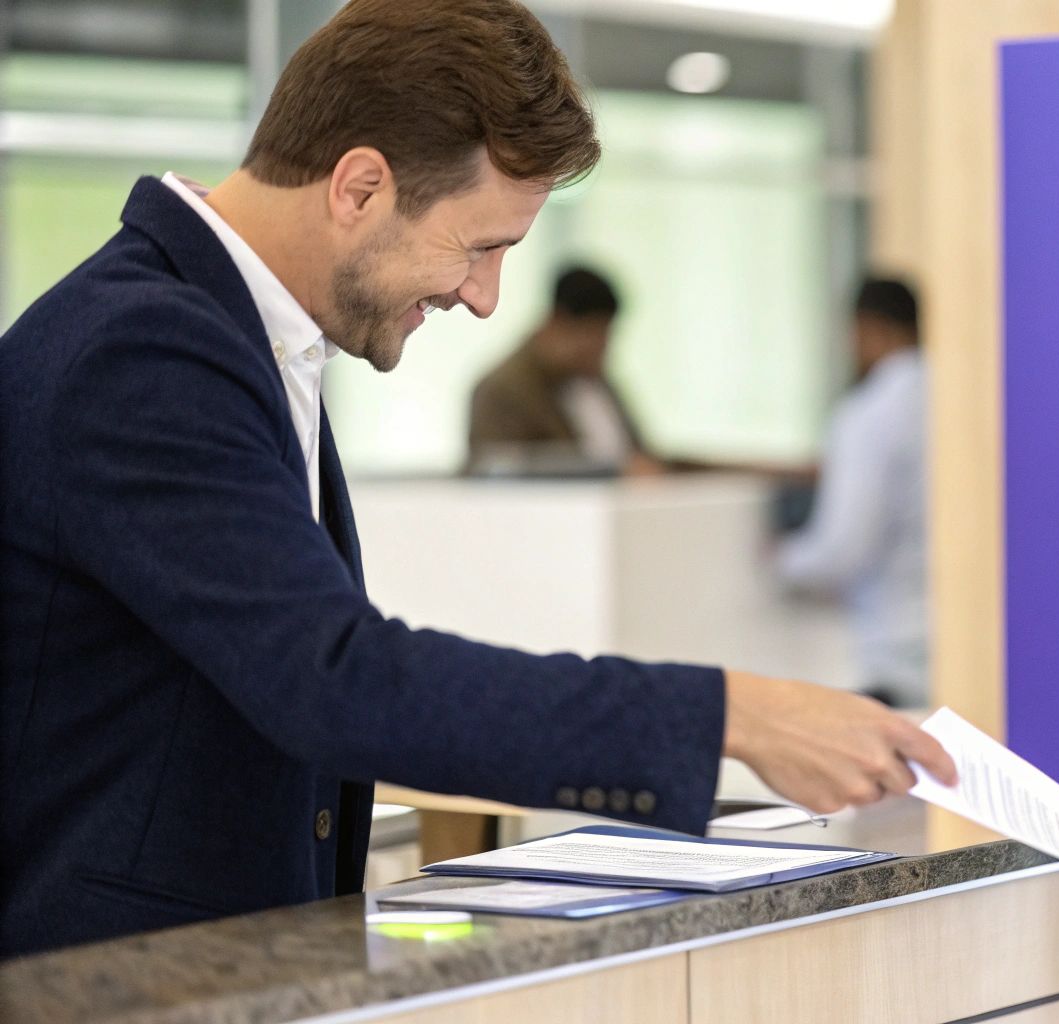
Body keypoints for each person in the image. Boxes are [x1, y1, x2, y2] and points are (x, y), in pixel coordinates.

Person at [0, 0, 953, 959]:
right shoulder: (142, 352)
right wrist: (733, 716)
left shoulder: (246, 338)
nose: (485, 297)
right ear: (360, 187)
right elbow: (334, 680)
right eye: (481, 245)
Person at [777, 277, 928, 706]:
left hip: (896, 659)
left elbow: (843, 550)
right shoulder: (958, 398)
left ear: (866, 329)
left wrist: (782, 560)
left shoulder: (868, 414)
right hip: (960, 650)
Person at [466, 265, 659, 476]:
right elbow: (499, 471)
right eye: (591, 338)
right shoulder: (502, 390)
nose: (601, 350)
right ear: (557, 321)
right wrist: (613, 471)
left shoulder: (596, 379)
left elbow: (641, 457)